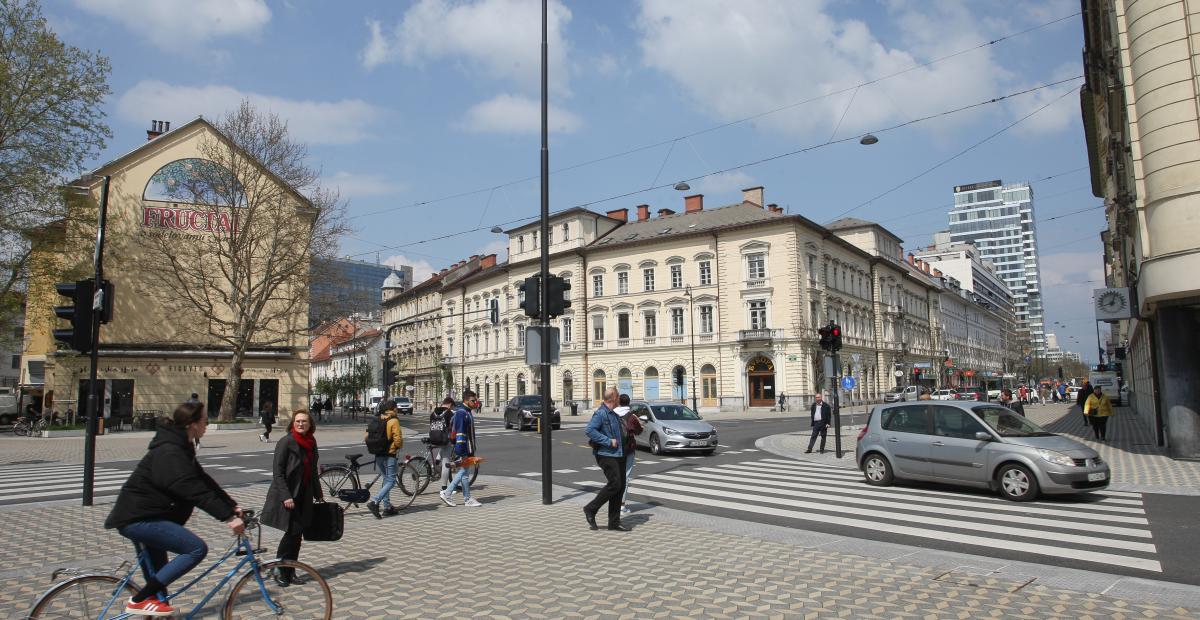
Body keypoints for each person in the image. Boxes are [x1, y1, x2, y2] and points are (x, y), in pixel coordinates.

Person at [105, 401, 243, 616]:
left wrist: (231, 505)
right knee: (196, 549)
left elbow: (202, 479)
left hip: (149, 516)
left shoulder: (181, 445)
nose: (207, 424)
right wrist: (227, 517)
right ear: (192, 424)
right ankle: (138, 600)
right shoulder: (170, 451)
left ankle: (151, 602)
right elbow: (190, 488)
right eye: (205, 420)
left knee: (160, 582)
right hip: (139, 518)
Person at [261, 409, 323, 586]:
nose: (301, 424)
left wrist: (318, 493)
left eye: (304, 421)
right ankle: (281, 570)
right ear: (293, 424)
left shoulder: (311, 442)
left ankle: (291, 570)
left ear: (310, 424)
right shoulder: (286, 442)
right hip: (289, 496)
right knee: (291, 534)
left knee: (297, 535)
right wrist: (286, 496)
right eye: (297, 421)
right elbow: (278, 473)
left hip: (305, 494)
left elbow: (312, 470)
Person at [583, 388, 628, 532]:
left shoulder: (613, 414)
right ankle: (591, 508)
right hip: (606, 454)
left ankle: (614, 522)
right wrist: (608, 441)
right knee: (615, 483)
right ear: (613, 397)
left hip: (619, 454)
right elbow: (590, 430)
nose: (620, 398)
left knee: (620, 487)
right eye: (618, 396)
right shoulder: (601, 413)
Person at [440, 390, 481, 507]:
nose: (475, 403)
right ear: (466, 401)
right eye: (473, 401)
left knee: (465, 473)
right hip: (463, 448)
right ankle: (447, 493)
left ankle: (467, 498)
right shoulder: (462, 413)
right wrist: (462, 451)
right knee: (464, 471)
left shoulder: (466, 412)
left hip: (467, 447)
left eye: (476, 400)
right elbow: (460, 433)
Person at [365, 400, 403, 518]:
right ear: (393, 408)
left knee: (386, 479)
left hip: (378, 454)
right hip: (389, 454)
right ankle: (375, 502)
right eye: (396, 407)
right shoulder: (393, 420)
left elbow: (366, 436)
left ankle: (387, 507)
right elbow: (398, 439)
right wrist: (399, 446)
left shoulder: (377, 418)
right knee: (391, 481)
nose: (397, 409)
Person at [616, 394, 643, 515]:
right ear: (629, 403)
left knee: (615, 477)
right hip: (628, 449)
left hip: (614, 449)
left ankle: (614, 504)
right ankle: (622, 506)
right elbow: (639, 430)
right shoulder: (632, 417)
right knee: (626, 477)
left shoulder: (612, 414)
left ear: (618, 402)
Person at [429, 397, 457, 492]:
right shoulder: (449, 413)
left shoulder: (433, 413)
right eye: (452, 406)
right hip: (445, 439)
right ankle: (444, 488)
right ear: (449, 404)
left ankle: (435, 465)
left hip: (433, 438)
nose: (452, 408)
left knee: (442, 449)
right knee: (446, 463)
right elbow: (453, 428)